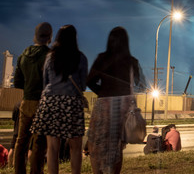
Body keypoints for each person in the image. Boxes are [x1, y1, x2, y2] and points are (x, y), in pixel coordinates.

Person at [86, 27, 145, 174]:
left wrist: (102, 93)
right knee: (117, 146)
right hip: (123, 107)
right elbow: (140, 84)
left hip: (103, 105)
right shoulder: (132, 61)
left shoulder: (101, 58)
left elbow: (90, 80)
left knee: (97, 143)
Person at [30, 25, 87, 174]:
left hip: (51, 102)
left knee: (52, 147)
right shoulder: (80, 57)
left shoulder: (51, 56)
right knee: (75, 146)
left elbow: (45, 82)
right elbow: (82, 85)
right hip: (71, 102)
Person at [13, 22, 52, 174]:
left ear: (35, 36)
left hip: (26, 102)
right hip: (43, 104)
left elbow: (17, 82)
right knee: (39, 144)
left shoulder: (23, 55)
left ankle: (19, 171)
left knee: (21, 142)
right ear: (50, 37)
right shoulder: (50, 55)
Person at [7, 102, 20, 167]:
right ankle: (15, 165)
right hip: (23, 131)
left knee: (12, 148)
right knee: (19, 150)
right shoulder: (27, 105)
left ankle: (9, 165)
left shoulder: (17, 105)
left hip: (16, 130)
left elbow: (13, 118)